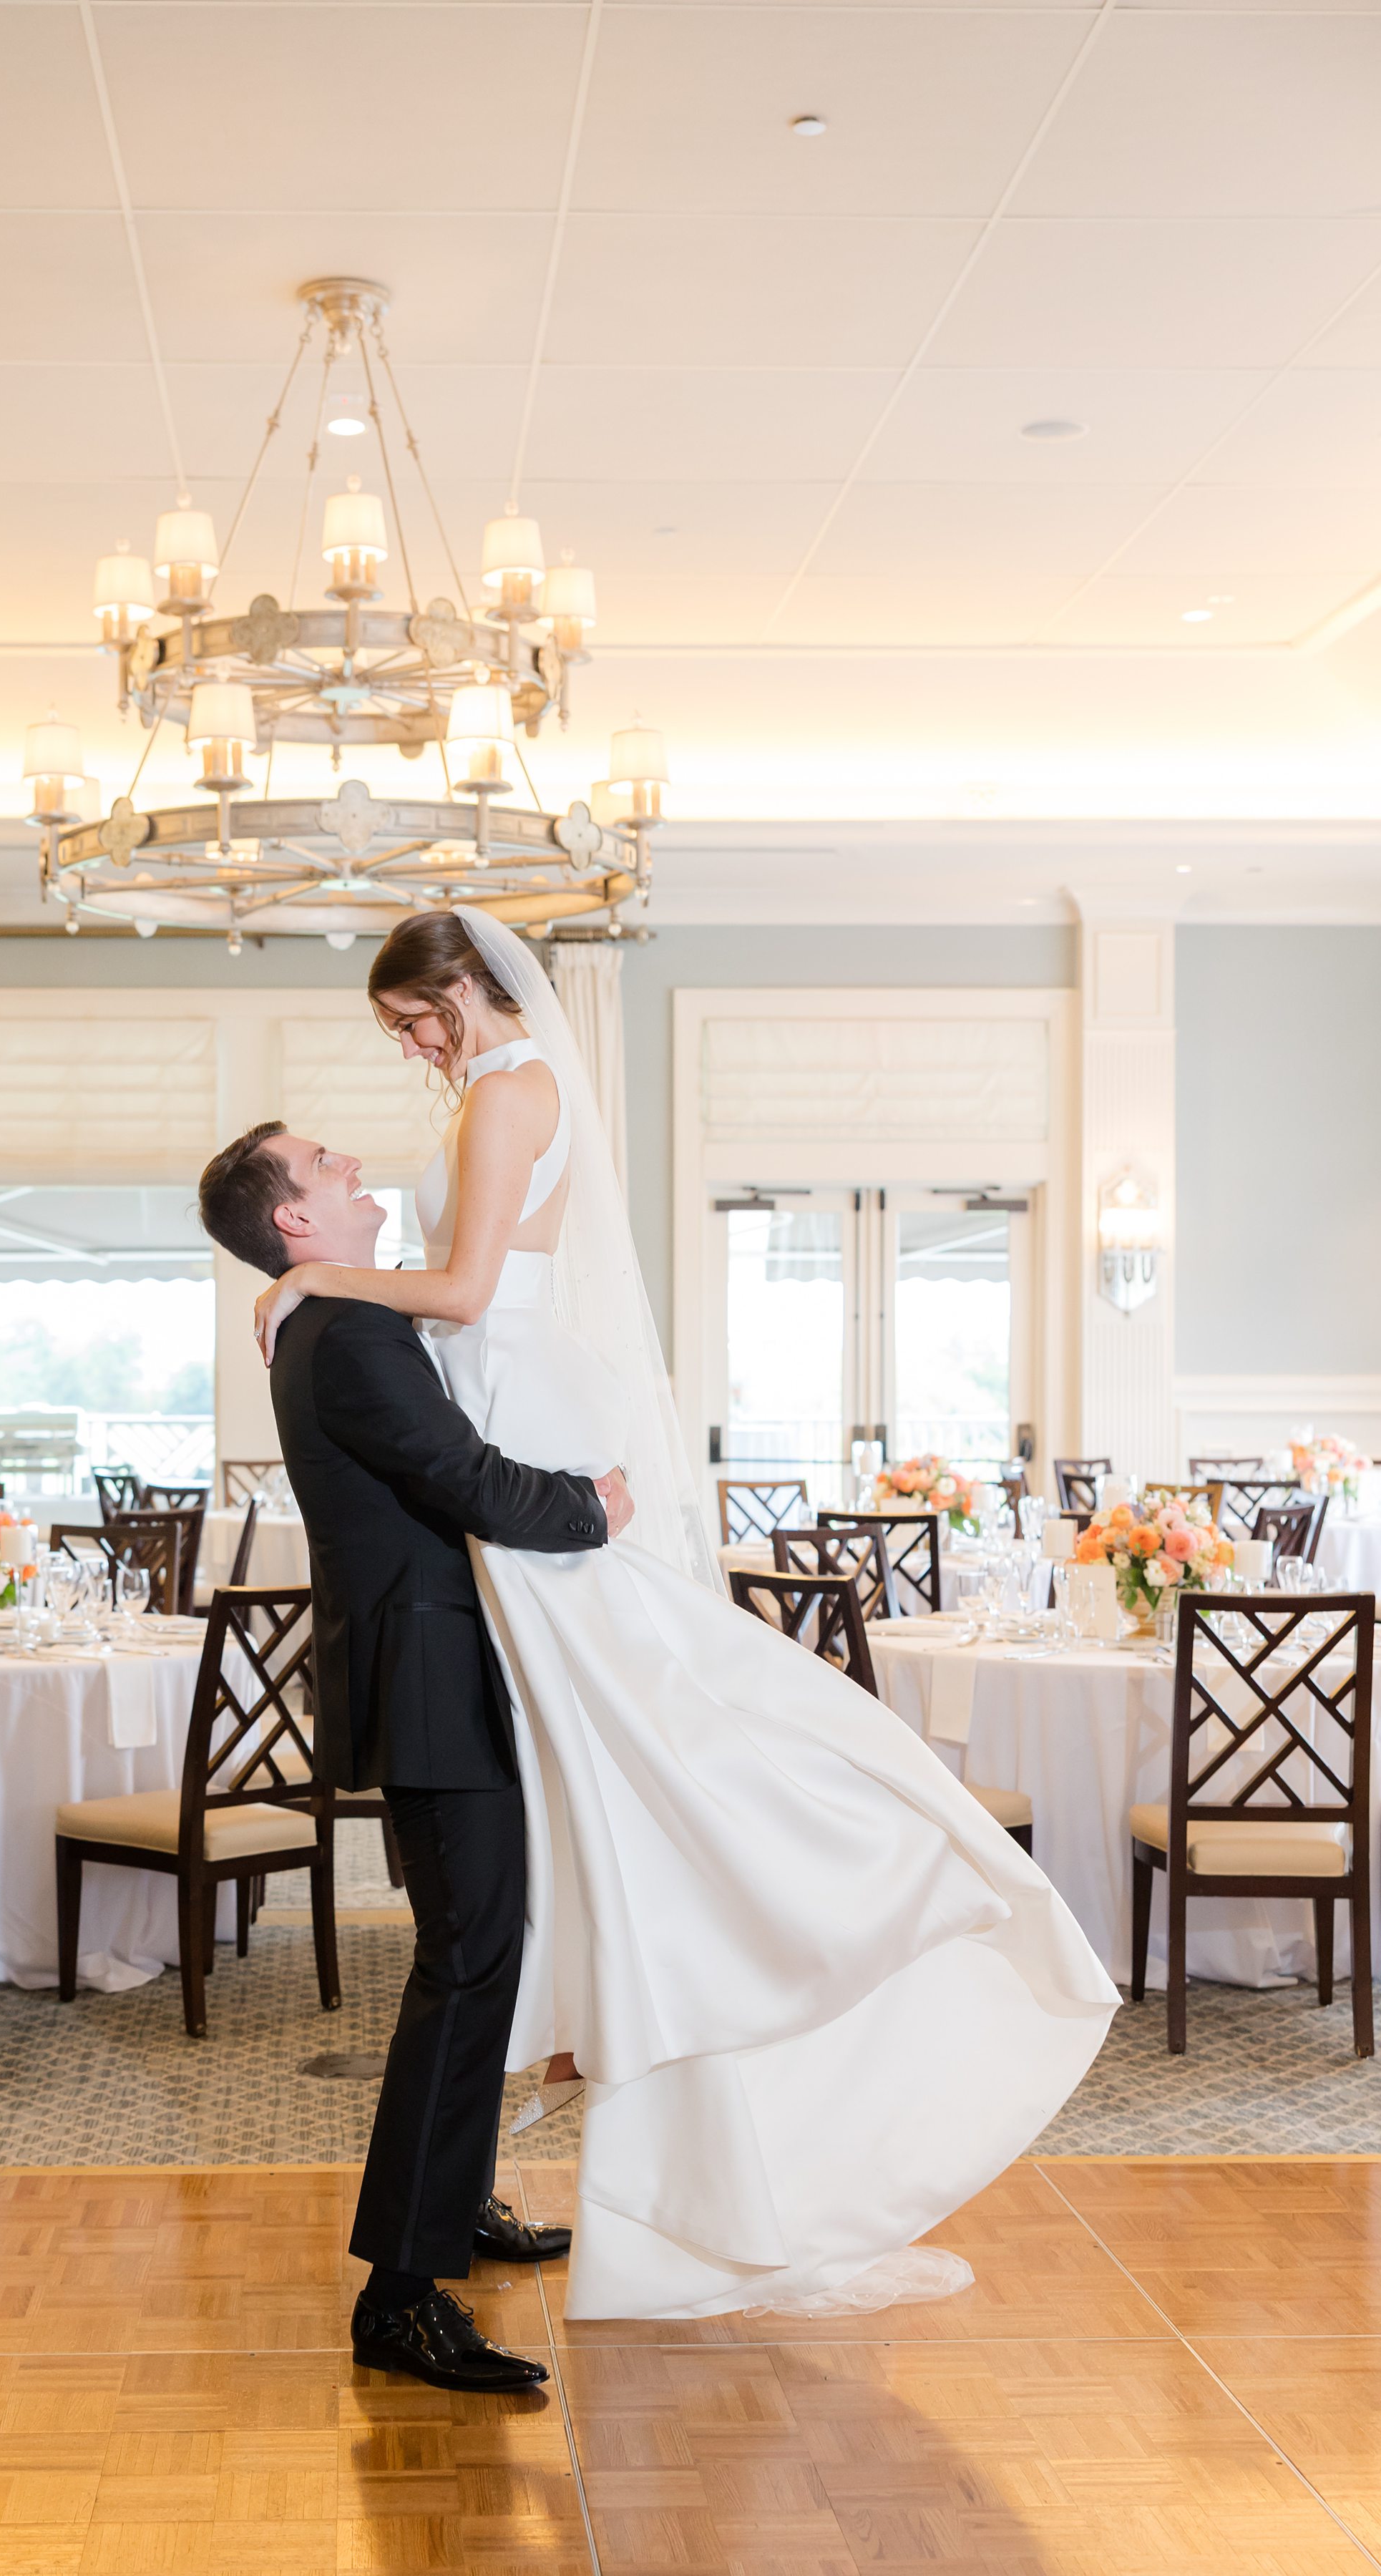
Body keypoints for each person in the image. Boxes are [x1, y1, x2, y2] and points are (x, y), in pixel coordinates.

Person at [243, 904, 1119, 2326]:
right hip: (502, 1449)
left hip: (516, 1428)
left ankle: (833, 1896)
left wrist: (312, 1277)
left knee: (644, 1758)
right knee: (590, 1807)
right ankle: (474, 2197)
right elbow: (465, 1322)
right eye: (396, 1030)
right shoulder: (485, 1124)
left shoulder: (498, 1103)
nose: (406, 1049)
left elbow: (467, 1292)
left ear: (465, 987)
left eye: (413, 1017)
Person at [198, 1121, 635, 2394]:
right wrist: (590, 1508)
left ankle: (456, 2205)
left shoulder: (331, 1317)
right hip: (431, 1681)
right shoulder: (350, 1335)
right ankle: (401, 2292)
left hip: (431, 1672)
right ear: (293, 1219)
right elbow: (467, 1481)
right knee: (466, 1958)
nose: (349, 1165)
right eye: (324, 1163)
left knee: (479, 1950)